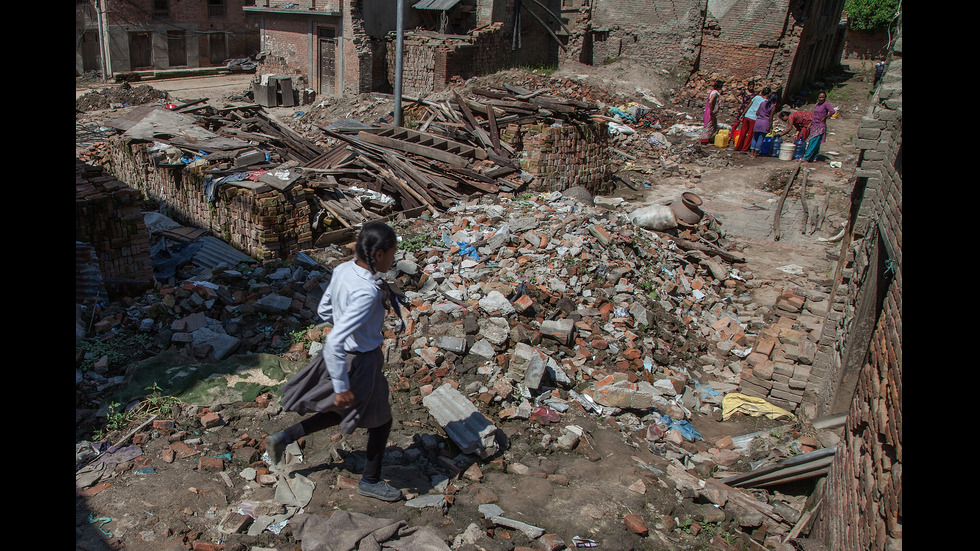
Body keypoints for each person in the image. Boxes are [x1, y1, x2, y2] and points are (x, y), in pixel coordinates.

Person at [265, 221, 405, 502]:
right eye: (392, 253)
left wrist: (348, 320)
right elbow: (334, 341)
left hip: (347, 359)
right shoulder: (367, 292)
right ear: (378, 254)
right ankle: (371, 480)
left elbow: (324, 308)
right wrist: (341, 386)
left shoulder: (344, 269)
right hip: (359, 362)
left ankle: (284, 437)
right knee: (381, 421)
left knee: (341, 409)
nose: (394, 258)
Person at [802, 91, 836, 163]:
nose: (821, 99)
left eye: (822, 97)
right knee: (816, 142)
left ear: (825, 97)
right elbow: (814, 115)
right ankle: (814, 157)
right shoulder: (817, 105)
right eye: (820, 97)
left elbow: (832, 111)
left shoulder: (826, 104)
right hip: (814, 124)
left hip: (820, 125)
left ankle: (806, 157)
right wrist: (810, 123)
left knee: (813, 141)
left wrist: (826, 117)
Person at [735, 85, 766, 152]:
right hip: (754, 118)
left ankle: (738, 146)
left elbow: (748, 105)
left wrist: (743, 114)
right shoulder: (765, 101)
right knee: (750, 134)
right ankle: (745, 149)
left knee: (743, 132)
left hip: (747, 115)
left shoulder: (756, 97)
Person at [749, 88, 775, 157]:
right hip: (765, 123)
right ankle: (756, 154)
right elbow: (771, 118)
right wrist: (770, 127)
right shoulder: (772, 106)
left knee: (754, 137)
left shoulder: (762, 103)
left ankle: (751, 153)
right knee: (761, 138)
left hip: (758, 121)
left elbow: (757, 113)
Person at [700, 80, 723, 145]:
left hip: (711, 111)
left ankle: (711, 138)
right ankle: (704, 141)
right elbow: (710, 101)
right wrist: (711, 110)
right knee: (709, 125)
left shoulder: (713, 92)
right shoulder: (715, 93)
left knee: (713, 125)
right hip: (711, 112)